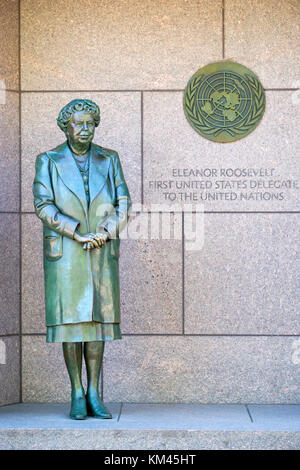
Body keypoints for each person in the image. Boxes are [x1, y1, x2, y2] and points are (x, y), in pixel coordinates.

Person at [32, 99, 131, 420]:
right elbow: (43, 205)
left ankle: (94, 392)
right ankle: (76, 391)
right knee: (72, 324)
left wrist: (107, 231)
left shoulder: (109, 158)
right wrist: (76, 232)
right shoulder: (48, 160)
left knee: (97, 324)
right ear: (66, 126)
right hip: (67, 252)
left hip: (101, 249)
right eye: (79, 124)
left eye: (90, 123)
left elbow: (123, 200)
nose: (85, 129)